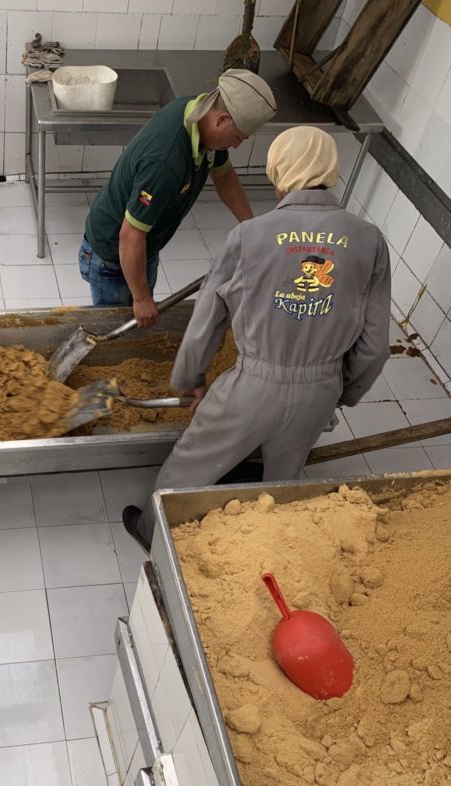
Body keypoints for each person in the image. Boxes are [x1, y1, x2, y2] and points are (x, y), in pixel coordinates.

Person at [124, 125, 391, 552]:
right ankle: (264, 551)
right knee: (283, 482)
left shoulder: (249, 235)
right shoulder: (370, 240)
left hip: (253, 386)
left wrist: (192, 376)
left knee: (190, 464)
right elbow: (375, 341)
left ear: (279, 171)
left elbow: (207, 319)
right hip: (320, 387)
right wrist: (343, 392)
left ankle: (152, 534)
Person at [79, 69, 277, 328]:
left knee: (140, 322)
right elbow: (130, 235)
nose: (237, 145)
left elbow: (225, 177)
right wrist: (141, 299)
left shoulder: (200, 115)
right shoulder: (164, 162)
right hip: (113, 254)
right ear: (222, 120)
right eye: (238, 137)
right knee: (117, 329)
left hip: (145, 245)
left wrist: (252, 227)